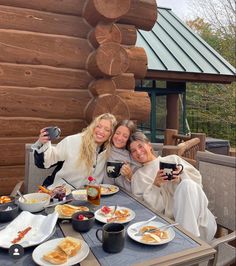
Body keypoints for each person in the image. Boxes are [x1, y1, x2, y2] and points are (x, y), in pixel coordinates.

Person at [127, 131, 217, 242]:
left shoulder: (173, 160)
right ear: (132, 155)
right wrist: (155, 186)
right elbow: (151, 213)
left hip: (201, 223)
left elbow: (198, 185)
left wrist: (180, 179)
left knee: (187, 184)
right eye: (133, 151)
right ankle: (189, 244)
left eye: (140, 146)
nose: (138, 152)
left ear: (149, 145)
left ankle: (187, 243)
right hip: (171, 229)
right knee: (186, 185)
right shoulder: (138, 177)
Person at [31, 113, 117, 189]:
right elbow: (44, 162)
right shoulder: (72, 141)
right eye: (98, 126)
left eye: (107, 129)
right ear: (93, 127)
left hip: (89, 197)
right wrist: (43, 143)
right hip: (60, 193)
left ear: (111, 134)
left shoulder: (107, 151)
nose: (101, 131)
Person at [103, 120, 140, 190]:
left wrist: (130, 176)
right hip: (104, 191)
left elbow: (140, 186)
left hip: (127, 195)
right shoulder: (105, 149)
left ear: (129, 139)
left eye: (125, 136)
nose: (119, 138)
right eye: (117, 133)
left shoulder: (135, 156)